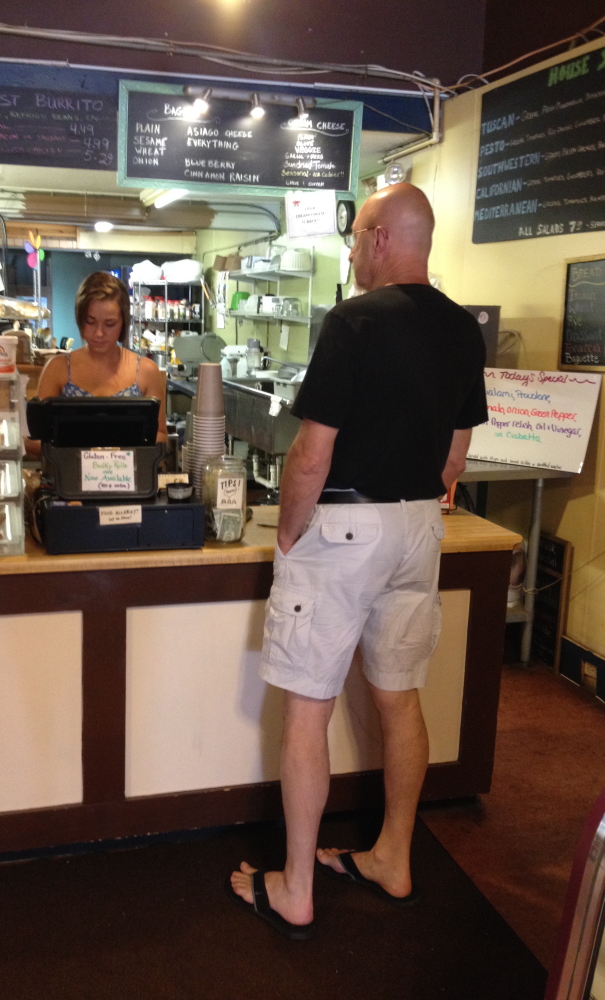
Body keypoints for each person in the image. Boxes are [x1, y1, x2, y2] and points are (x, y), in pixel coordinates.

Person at [228, 183, 488, 939]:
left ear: (378, 239)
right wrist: (412, 506)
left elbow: (312, 451)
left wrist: (289, 534)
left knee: (307, 709)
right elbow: (455, 455)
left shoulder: (354, 320)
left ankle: (297, 888)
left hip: (344, 526)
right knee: (400, 698)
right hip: (418, 528)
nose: (349, 252)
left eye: (354, 238)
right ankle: (392, 859)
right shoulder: (463, 331)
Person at [26, 272, 167, 456]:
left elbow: (161, 435)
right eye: (90, 322)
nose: (99, 333)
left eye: (110, 324)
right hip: (69, 479)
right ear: (79, 318)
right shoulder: (58, 369)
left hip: (128, 480)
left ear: (123, 322)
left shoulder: (146, 371)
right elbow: (38, 440)